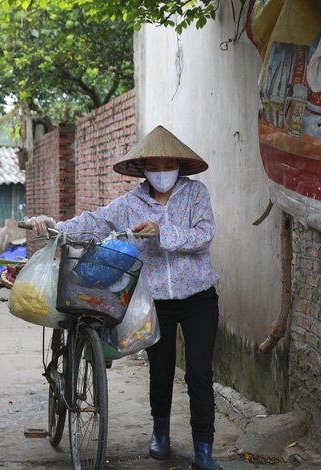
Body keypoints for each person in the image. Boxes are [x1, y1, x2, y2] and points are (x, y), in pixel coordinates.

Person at [29, 125, 223, 470]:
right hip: (154, 301)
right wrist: (51, 224)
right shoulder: (131, 203)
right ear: (143, 169)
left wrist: (164, 231)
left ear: (180, 166)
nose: (162, 173)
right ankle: (160, 435)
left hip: (199, 297)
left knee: (198, 372)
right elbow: (95, 221)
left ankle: (203, 451)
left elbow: (204, 236)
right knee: (161, 371)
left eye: (168, 166)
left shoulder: (196, 195)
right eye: (155, 167)